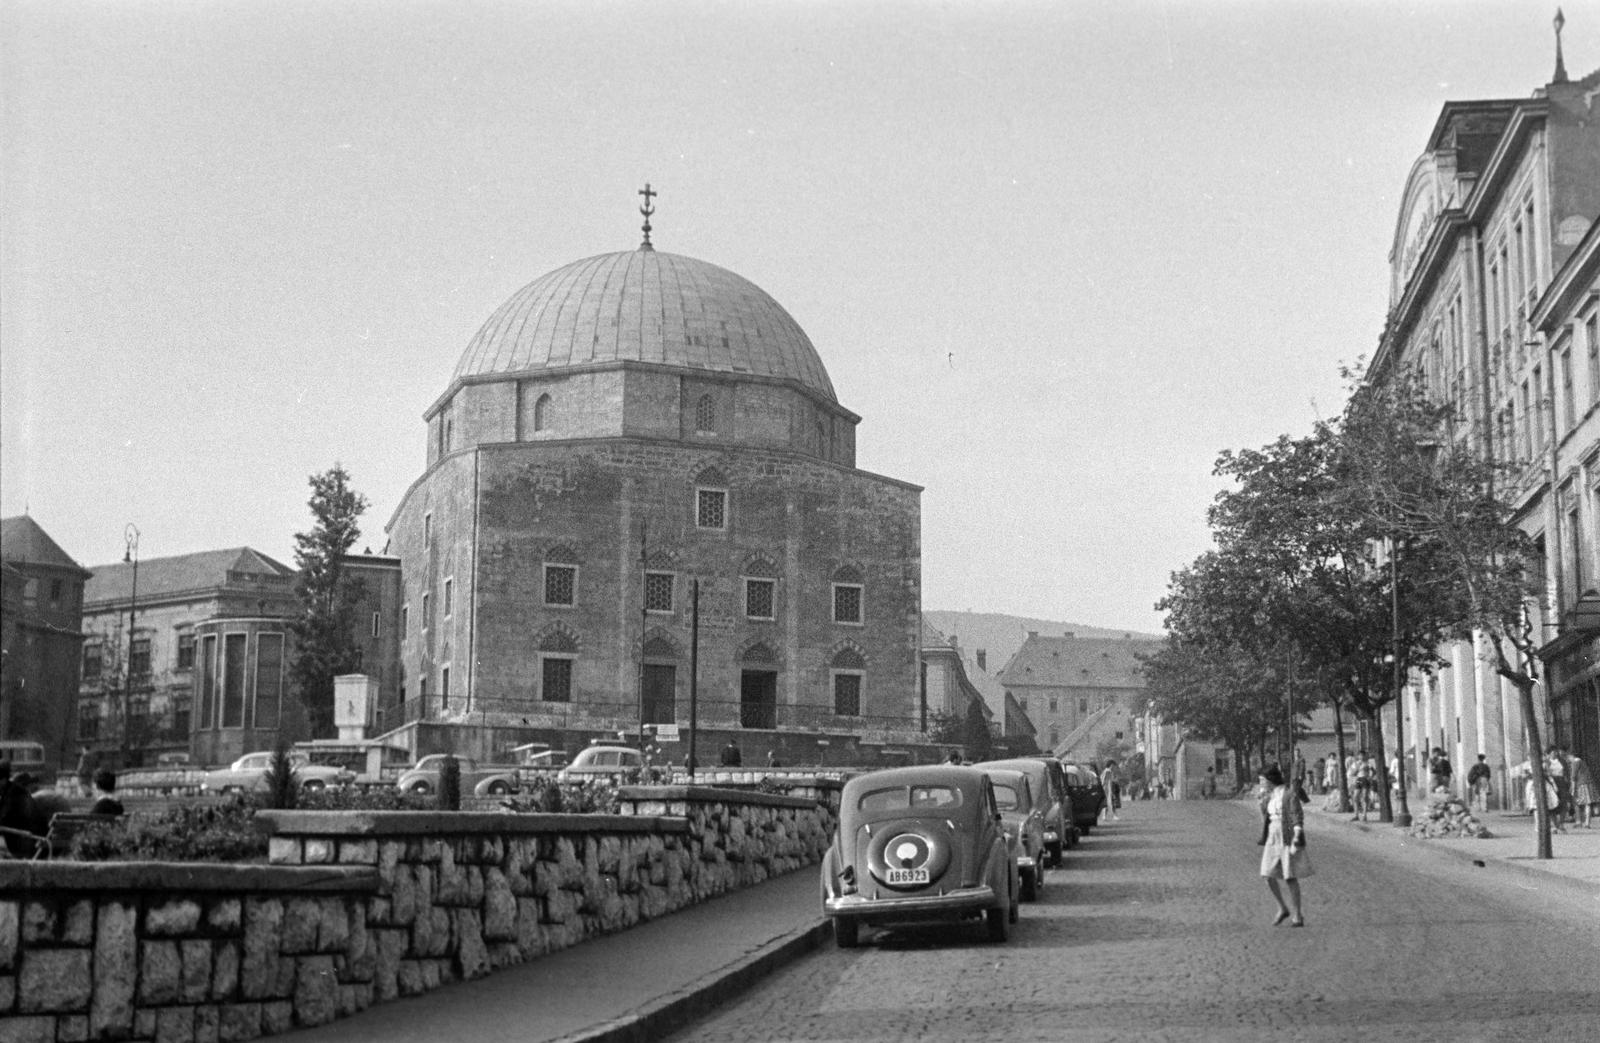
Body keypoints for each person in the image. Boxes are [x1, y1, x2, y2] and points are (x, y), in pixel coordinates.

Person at [1256, 763, 1311, 927]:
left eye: (1262, 780)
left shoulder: (1288, 795)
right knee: (1267, 874)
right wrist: (1262, 803)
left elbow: (1296, 815)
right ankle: (1282, 907)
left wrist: (1297, 835)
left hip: (1285, 835)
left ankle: (1298, 915)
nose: (1260, 784)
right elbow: (1266, 818)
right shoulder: (1269, 797)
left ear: (1270, 780)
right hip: (1272, 837)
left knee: (1289, 877)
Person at [1568, 752, 1594, 829]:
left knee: (1576, 803)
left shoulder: (1575, 762)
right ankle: (1587, 823)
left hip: (1580, 784)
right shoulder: (1583, 762)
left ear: (1571, 756)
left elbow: (1573, 776)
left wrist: (1572, 788)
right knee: (1587, 803)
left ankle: (1579, 822)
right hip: (1588, 783)